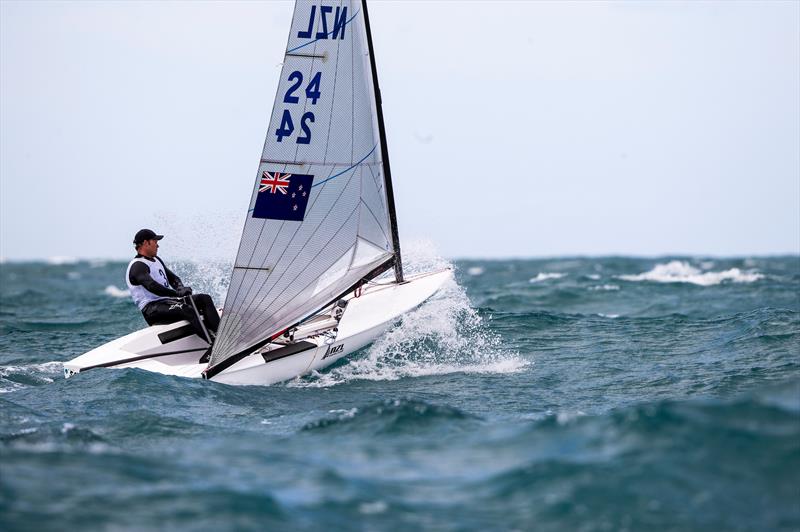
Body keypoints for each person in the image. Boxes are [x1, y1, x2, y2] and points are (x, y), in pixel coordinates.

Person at [126, 228, 221, 342]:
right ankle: (213, 344)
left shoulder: (156, 260)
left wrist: (180, 288)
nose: (158, 245)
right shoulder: (138, 266)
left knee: (204, 299)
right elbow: (152, 286)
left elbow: (173, 278)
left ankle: (221, 338)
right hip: (152, 310)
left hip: (167, 303)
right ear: (146, 243)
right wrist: (176, 293)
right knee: (186, 309)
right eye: (155, 242)